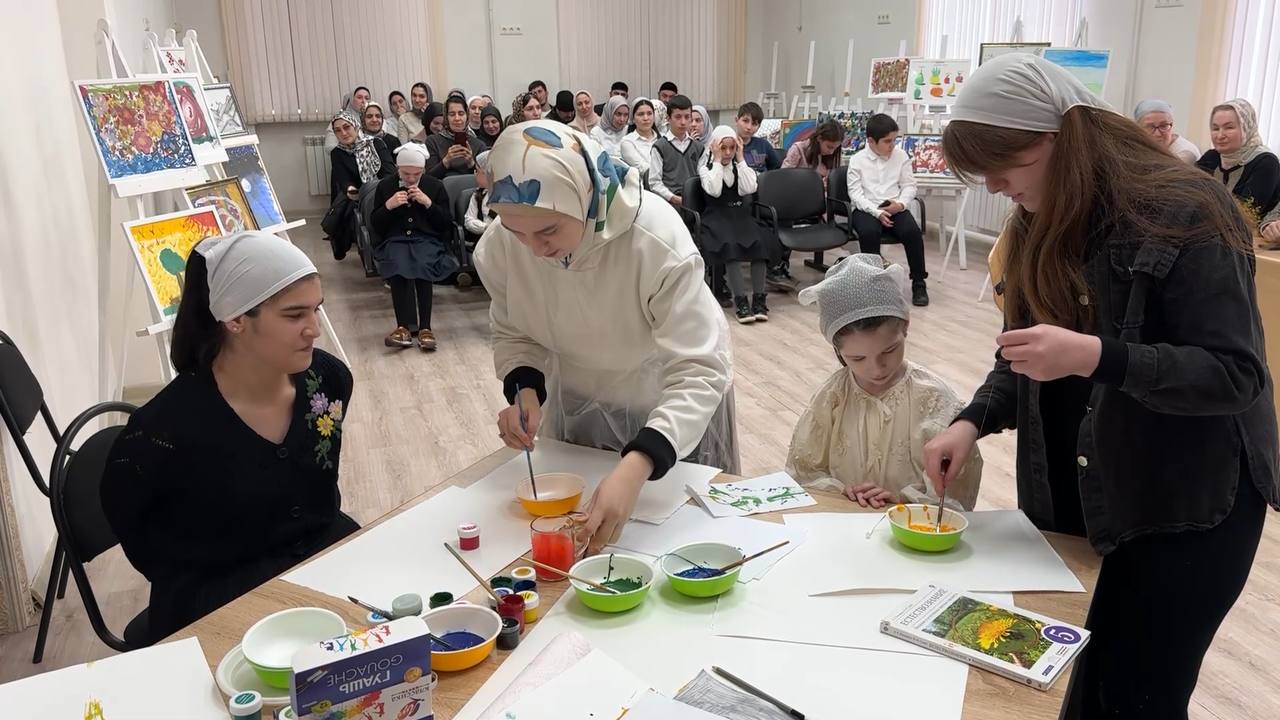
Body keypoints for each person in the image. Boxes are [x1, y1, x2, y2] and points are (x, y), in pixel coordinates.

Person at [923, 53, 1276, 720]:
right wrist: (971, 420)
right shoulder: (1036, 215)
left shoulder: (1188, 209)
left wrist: (1096, 356)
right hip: (1074, 498)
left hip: (1180, 509)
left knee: (1138, 697)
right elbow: (1021, 355)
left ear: (1061, 138)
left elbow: (1234, 375)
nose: (994, 185)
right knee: (1072, 690)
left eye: (1003, 163)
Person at [474, 120, 736, 555]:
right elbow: (514, 328)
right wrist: (525, 389)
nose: (534, 249)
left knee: (675, 545)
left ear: (584, 196)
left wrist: (639, 464)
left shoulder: (653, 240)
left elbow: (698, 370)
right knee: (590, 546)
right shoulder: (502, 246)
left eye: (549, 231)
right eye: (517, 231)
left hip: (670, 409)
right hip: (580, 404)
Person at [101, 230, 359, 642]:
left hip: (325, 561)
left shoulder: (328, 380)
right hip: (219, 598)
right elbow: (137, 530)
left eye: (316, 310)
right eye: (294, 316)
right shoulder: (162, 432)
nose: (314, 329)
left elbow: (317, 492)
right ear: (235, 319)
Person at [788, 254, 982, 509]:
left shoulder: (934, 398)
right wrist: (843, 493)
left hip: (911, 527)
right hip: (844, 522)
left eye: (889, 350)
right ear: (836, 349)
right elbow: (803, 472)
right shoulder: (833, 397)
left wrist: (904, 502)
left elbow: (957, 490)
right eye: (857, 358)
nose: (876, 369)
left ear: (906, 326)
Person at [369, 144, 458, 351]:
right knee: (397, 264)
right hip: (396, 239)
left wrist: (428, 203)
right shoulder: (385, 186)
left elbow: (445, 222)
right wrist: (388, 206)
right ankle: (403, 327)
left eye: (416, 174)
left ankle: (425, 327)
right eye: (406, 173)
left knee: (423, 264)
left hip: (426, 239)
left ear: (423, 170)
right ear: (398, 169)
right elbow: (376, 223)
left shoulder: (434, 186)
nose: (410, 178)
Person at [698, 125, 781, 323]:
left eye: (732, 148)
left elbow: (750, 188)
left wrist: (742, 159)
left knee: (760, 243)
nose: (728, 153)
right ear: (714, 147)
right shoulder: (706, 169)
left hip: (739, 216)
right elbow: (714, 190)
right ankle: (741, 301)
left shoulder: (739, 167)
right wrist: (717, 161)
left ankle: (759, 299)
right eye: (723, 148)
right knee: (730, 247)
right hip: (716, 217)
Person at [846, 113, 929, 306]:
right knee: (869, 232)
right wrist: (877, 212)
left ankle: (919, 282)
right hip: (867, 208)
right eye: (887, 141)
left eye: (894, 140)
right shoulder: (857, 160)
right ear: (871, 141)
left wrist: (900, 204)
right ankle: (874, 284)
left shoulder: (901, 156)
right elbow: (855, 194)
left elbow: (909, 186)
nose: (892, 145)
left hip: (894, 206)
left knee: (912, 232)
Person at [1196, 98, 1280, 227]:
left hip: (1251, 235)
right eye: (1215, 128)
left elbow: (1245, 214)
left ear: (1246, 128)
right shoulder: (1211, 157)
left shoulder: (1266, 162)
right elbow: (1188, 194)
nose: (1220, 135)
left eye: (1229, 128)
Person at [325, 111, 395, 259]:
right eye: (338, 131)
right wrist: (350, 189)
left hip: (385, 190)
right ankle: (377, 251)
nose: (343, 133)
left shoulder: (376, 143)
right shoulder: (337, 153)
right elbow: (344, 180)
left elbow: (390, 172)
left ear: (356, 127)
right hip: (360, 196)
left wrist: (381, 190)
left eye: (347, 127)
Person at [648, 95, 704, 207]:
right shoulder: (659, 147)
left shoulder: (699, 147)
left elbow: (702, 178)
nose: (683, 122)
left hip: (694, 201)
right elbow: (654, 182)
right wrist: (674, 198)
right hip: (669, 203)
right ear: (668, 118)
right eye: (678, 117)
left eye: (687, 117)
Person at [424, 94, 488, 179]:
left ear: (467, 116)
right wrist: (446, 161)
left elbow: (486, 179)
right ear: (446, 117)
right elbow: (428, 178)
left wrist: (471, 163)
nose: (457, 118)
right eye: (452, 114)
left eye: (461, 114)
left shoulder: (479, 145)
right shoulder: (432, 141)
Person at [1133, 99, 1200, 163]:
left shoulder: (1185, 153)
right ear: (1137, 128)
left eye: (1163, 126)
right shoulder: (1135, 146)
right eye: (1150, 127)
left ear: (1172, 124)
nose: (1157, 134)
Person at [782, 118, 845, 185]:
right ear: (819, 138)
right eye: (829, 147)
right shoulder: (798, 149)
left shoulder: (835, 153)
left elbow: (841, 177)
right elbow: (783, 177)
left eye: (835, 148)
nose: (831, 152)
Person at [734, 101, 780, 174]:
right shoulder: (729, 145)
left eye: (754, 124)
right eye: (745, 121)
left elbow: (777, 170)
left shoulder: (764, 145)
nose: (749, 127)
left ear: (759, 127)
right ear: (736, 120)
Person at [325, 85, 374, 151]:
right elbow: (330, 146)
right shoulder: (339, 119)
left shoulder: (375, 118)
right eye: (359, 97)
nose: (363, 101)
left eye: (367, 98)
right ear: (351, 100)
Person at [620, 98, 659, 178]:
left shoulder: (663, 139)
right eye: (641, 114)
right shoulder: (627, 142)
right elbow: (643, 169)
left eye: (649, 113)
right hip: (643, 184)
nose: (646, 118)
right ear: (633, 119)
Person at [463, 150, 495, 241]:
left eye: (477, 171)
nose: (475, 174)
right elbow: (469, 220)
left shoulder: (510, 197)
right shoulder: (478, 195)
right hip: (485, 239)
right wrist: (485, 227)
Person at [591, 95, 630, 160]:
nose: (622, 119)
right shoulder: (596, 132)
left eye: (625, 115)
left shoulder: (629, 130)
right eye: (618, 114)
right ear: (609, 112)